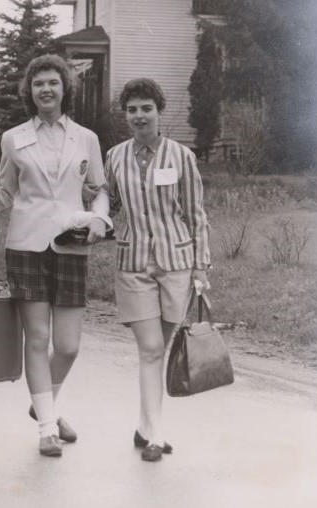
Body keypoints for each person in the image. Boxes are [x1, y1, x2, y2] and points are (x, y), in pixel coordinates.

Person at [0, 54, 111, 458]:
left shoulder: (86, 138)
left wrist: (99, 218)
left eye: (53, 82)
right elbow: (5, 192)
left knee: (67, 346)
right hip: (26, 244)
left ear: (65, 88)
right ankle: (47, 425)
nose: (46, 89)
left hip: (70, 244)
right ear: (29, 91)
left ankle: (42, 399)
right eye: (38, 83)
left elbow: (99, 188)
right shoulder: (13, 138)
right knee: (38, 338)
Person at [103, 78, 211, 462]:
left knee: (159, 349)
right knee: (149, 348)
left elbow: (195, 214)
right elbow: (108, 202)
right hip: (133, 264)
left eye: (146, 108)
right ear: (125, 114)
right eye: (131, 109)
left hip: (176, 264)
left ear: (158, 111)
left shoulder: (181, 157)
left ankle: (146, 425)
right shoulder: (114, 156)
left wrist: (201, 266)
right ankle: (154, 435)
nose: (138, 116)